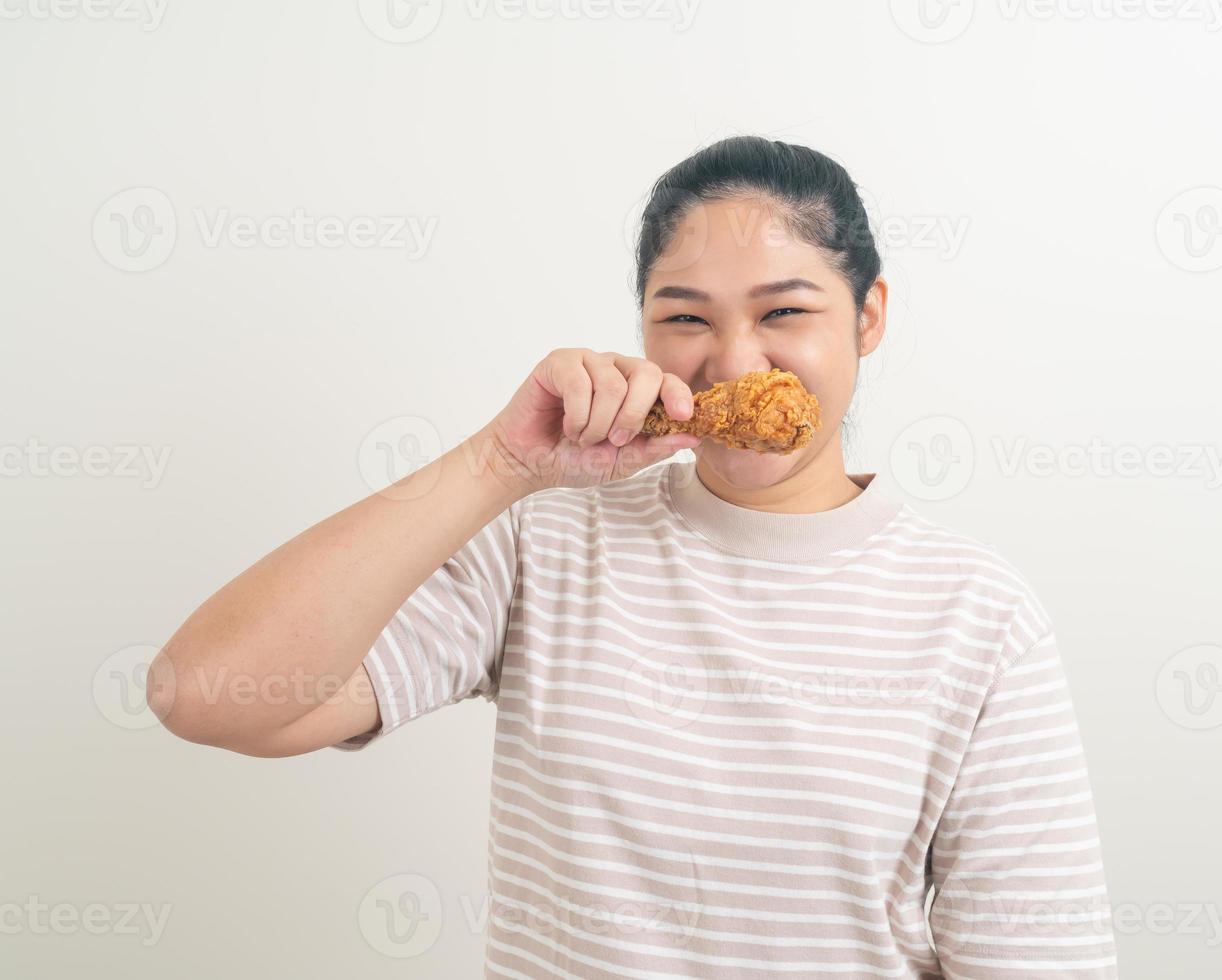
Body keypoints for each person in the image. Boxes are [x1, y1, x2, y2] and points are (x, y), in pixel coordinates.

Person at [150, 135, 1119, 978]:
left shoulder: (977, 615)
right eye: (686, 317)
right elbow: (205, 692)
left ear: (868, 316)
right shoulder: (552, 534)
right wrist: (499, 463)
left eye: (785, 312)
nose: (735, 363)